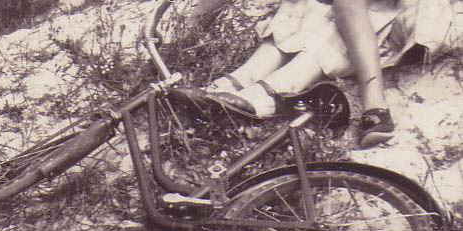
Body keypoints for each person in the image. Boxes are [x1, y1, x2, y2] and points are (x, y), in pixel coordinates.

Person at [187, 0, 461, 148]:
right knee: (309, 4)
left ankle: (374, 104)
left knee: (346, 4)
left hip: (427, 12)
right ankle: (243, 79)